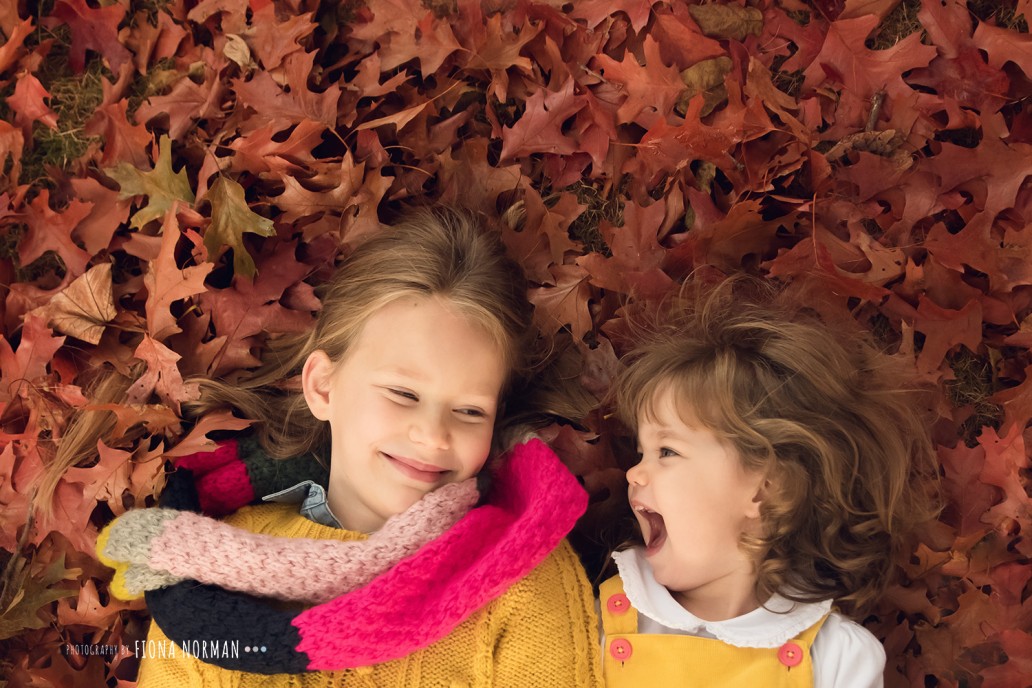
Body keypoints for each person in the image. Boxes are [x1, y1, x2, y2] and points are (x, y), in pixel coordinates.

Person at [90, 207, 603, 687]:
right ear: (324, 388)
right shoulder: (209, 565)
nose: (433, 434)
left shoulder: (521, 571)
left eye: (470, 410)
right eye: (403, 393)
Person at [598, 278, 937, 688]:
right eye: (640, 453)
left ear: (766, 489)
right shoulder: (604, 618)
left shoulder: (835, 658)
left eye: (667, 451)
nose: (633, 472)